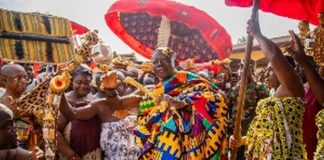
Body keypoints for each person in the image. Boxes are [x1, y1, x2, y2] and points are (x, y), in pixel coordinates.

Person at [230, 20, 307, 159]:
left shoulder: (293, 89)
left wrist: (257, 34)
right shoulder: (274, 95)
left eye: (271, 70)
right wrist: (242, 140)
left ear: (285, 72)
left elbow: (274, 55)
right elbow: (266, 132)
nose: (265, 73)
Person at [134, 47, 228, 159]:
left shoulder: (189, 80)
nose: (159, 64)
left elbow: (217, 101)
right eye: (155, 62)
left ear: (174, 61)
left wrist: (182, 103)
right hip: (161, 148)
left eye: (164, 59)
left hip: (190, 148)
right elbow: (142, 119)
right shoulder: (154, 91)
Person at [59, 70, 141, 160]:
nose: (114, 87)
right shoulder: (99, 105)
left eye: (117, 84)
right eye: (109, 85)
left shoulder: (137, 101)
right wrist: (59, 91)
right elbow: (72, 114)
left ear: (126, 86)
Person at [57, 65, 102, 160]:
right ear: (71, 82)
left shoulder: (94, 100)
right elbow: (55, 132)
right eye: (79, 82)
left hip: (94, 154)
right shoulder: (65, 101)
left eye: (87, 83)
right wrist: (72, 155)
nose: (83, 86)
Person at [228, 60, 268, 159]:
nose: (242, 70)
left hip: (251, 134)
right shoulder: (235, 88)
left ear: (252, 69)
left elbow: (262, 113)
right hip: (235, 133)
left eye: (245, 67)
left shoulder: (259, 88)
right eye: (240, 67)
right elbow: (230, 110)